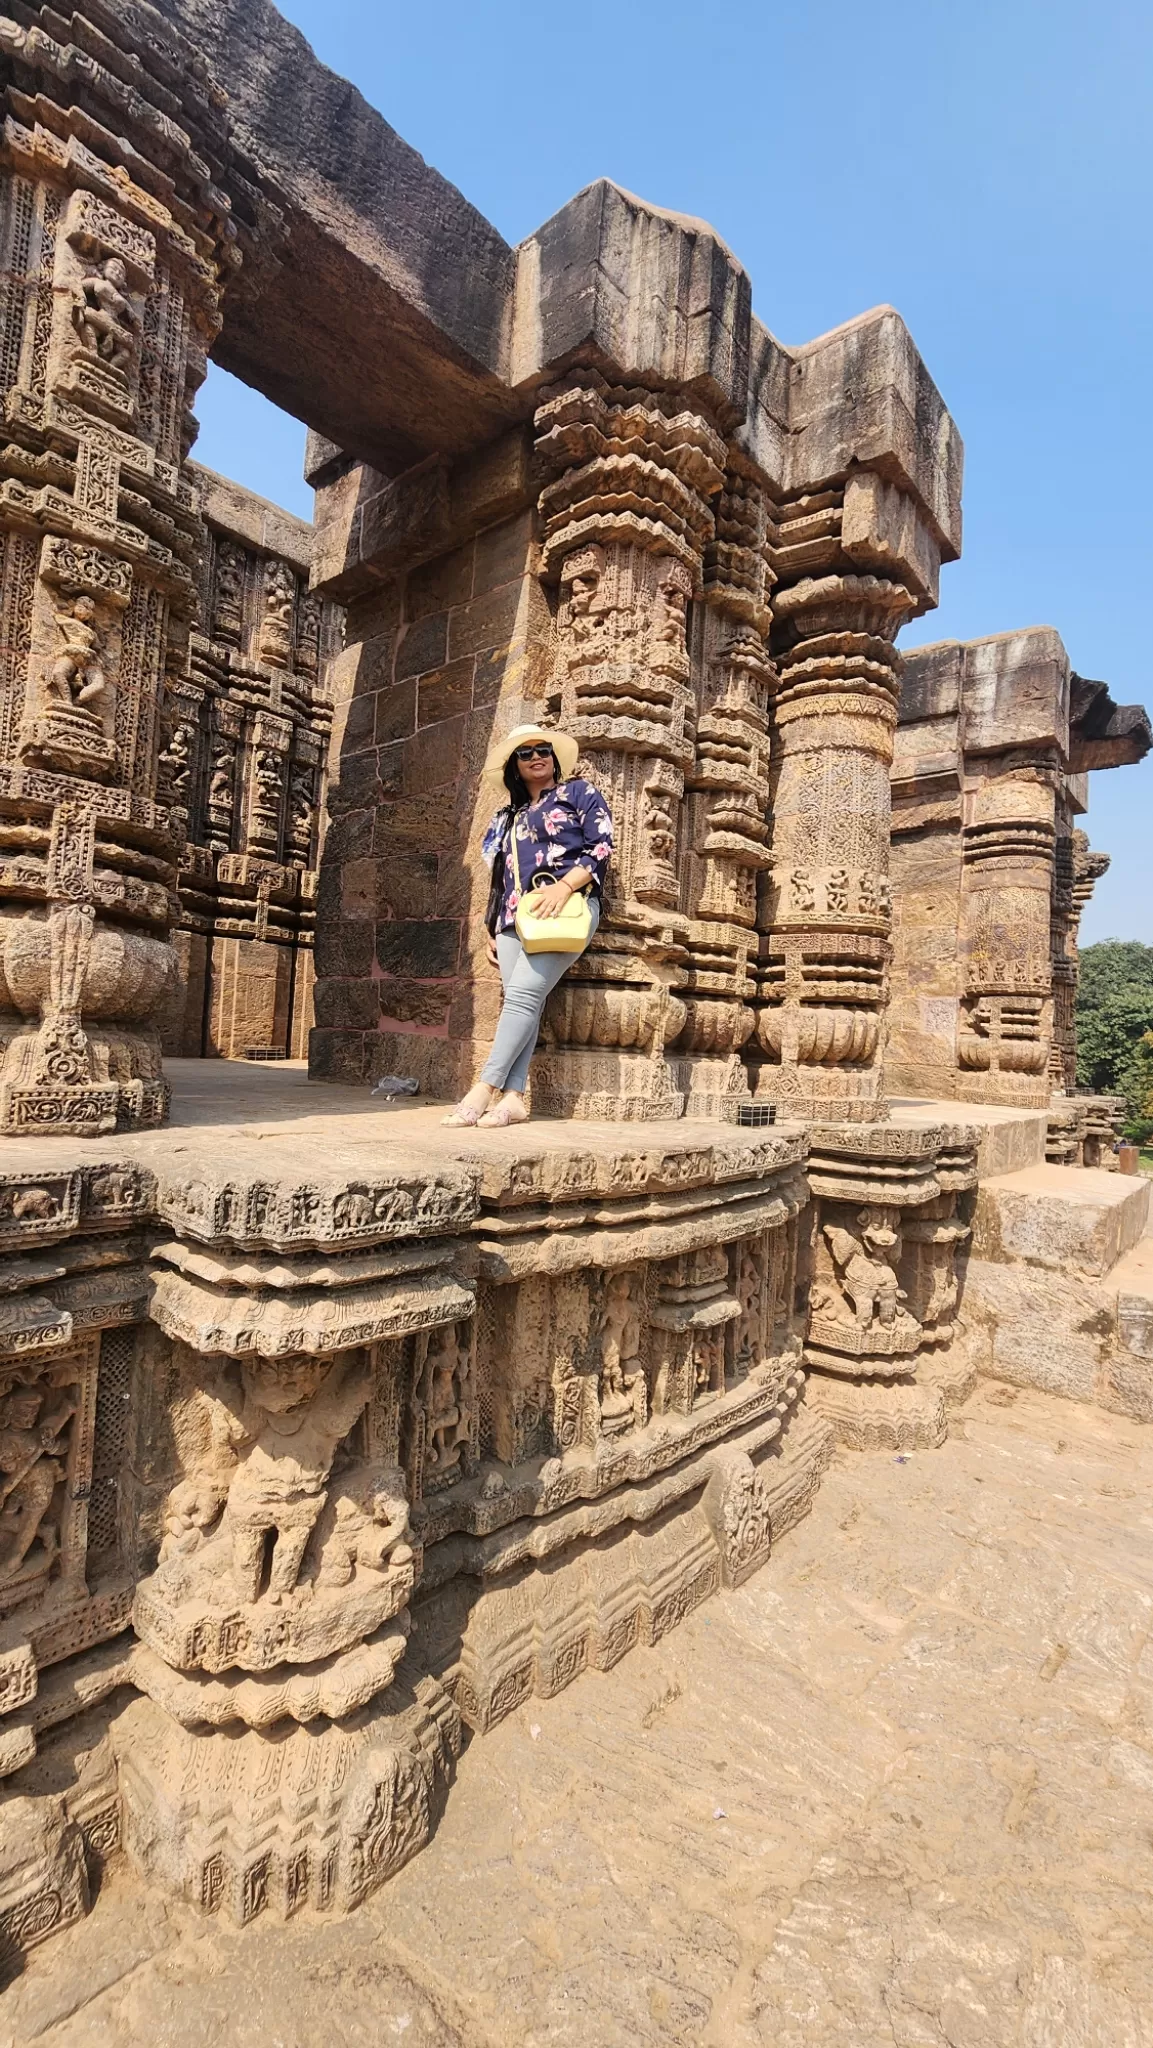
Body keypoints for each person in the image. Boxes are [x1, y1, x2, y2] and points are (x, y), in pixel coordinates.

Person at [443, 725, 612, 1128]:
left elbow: (602, 846)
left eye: (543, 749)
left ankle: (484, 1087)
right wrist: (491, 929)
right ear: (515, 768)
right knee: (523, 1002)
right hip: (514, 919)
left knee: (521, 996)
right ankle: (515, 1097)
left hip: (565, 906)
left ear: (554, 758)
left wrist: (565, 886)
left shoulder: (578, 793)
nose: (537, 756)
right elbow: (501, 876)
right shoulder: (507, 817)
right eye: (526, 753)